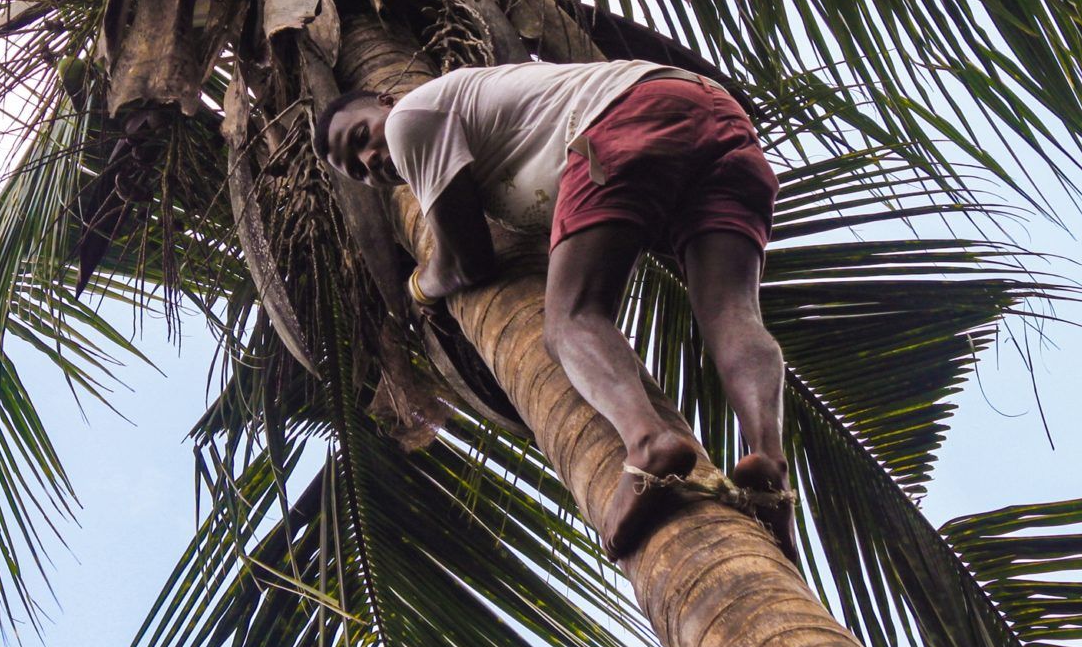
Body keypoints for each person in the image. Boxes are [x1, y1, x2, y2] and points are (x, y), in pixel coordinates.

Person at [318, 59, 792, 562]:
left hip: (626, 115)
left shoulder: (409, 117)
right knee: (731, 315)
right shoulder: (465, 126)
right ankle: (772, 470)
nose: (370, 159)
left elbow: (468, 261)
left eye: (361, 136)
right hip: (718, 116)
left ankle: (648, 443)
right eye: (357, 170)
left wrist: (419, 286)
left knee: (570, 320)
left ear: (386, 105)